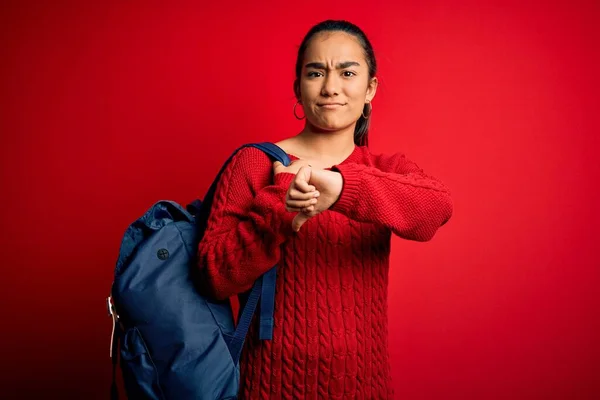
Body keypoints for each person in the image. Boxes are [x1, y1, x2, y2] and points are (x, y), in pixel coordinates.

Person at [197, 19, 453, 399]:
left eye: (347, 72)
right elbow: (212, 276)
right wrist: (278, 213)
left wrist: (345, 188)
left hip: (365, 386)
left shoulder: (384, 170)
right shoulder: (255, 163)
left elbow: (436, 208)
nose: (331, 87)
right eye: (315, 72)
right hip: (268, 386)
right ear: (298, 88)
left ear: (370, 89)